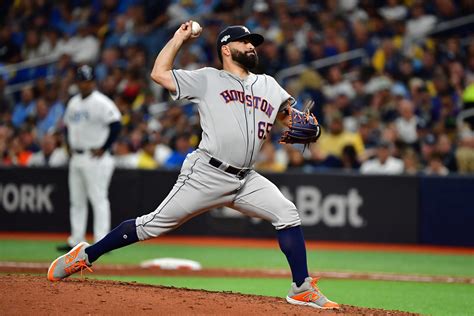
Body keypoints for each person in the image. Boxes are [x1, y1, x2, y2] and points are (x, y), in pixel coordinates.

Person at [48, 22, 339, 310]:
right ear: (226, 49)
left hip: (246, 179)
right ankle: (85, 255)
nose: (252, 46)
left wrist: (305, 124)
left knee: (287, 213)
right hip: (206, 174)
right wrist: (179, 38)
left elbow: (289, 117)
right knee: (152, 225)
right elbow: (158, 73)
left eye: (253, 42)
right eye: (245, 41)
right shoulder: (207, 79)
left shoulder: (269, 85)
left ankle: (301, 287)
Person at [56, 65, 122, 251]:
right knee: (77, 201)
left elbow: (116, 125)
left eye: (87, 80)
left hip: (96, 158)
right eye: (81, 81)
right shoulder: (73, 102)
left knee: (98, 199)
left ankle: (102, 242)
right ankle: (75, 240)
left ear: (93, 81)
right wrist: (69, 146)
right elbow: (67, 127)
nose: (84, 84)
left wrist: (104, 147)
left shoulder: (101, 102)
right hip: (77, 157)